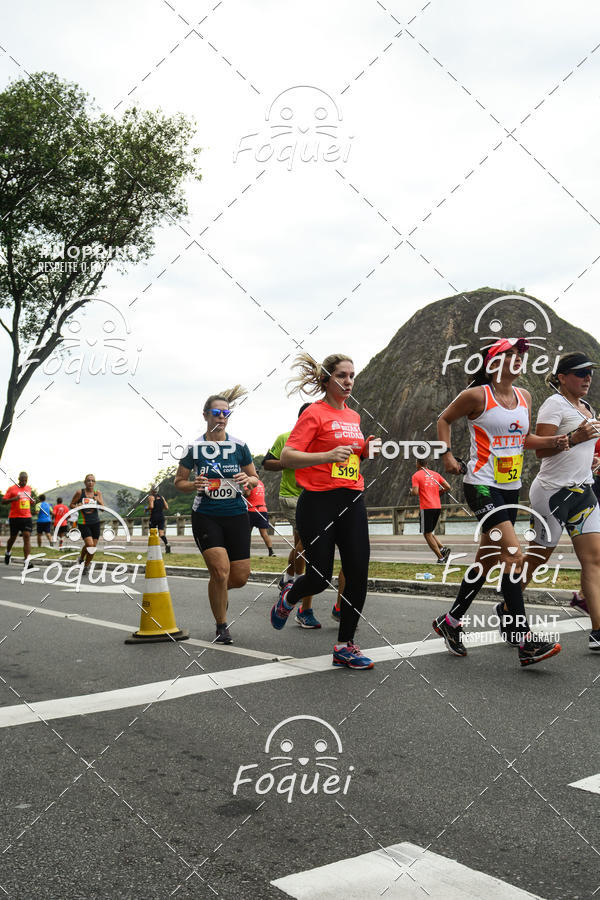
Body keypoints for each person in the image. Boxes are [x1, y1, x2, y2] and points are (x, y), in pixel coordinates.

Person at [433, 338, 567, 667]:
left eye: (521, 354)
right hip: (480, 485)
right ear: (494, 362)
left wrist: (556, 441)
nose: (518, 359)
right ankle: (525, 640)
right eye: (510, 355)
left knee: (488, 558)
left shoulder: (525, 397)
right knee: (514, 553)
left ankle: (449, 622)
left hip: (509, 488)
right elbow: (444, 420)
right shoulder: (477, 395)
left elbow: (524, 441)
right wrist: (447, 455)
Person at [270, 352, 378, 670]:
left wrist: (364, 451)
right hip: (317, 502)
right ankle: (290, 595)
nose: (349, 382)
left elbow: (349, 459)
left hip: (352, 499)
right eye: (342, 375)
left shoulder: (353, 418)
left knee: (358, 572)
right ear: (327, 379)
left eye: (352, 375)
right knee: (319, 576)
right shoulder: (314, 414)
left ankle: (345, 645)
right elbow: (288, 456)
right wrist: (328, 455)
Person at [521, 353, 600, 653]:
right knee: (538, 558)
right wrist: (576, 438)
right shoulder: (554, 404)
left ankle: (598, 631)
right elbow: (541, 451)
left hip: (584, 493)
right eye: (580, 373)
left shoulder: (588, 407)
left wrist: (588, 458)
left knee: (593, 560)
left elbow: (577, 449)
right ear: (562, 377)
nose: (587, 378)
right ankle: (509, 604)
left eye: (590, 373)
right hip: (552, 495)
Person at [174, 386, 259, 645]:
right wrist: (194, 484)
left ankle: (217, 591)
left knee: (239, 577)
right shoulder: (195, 448)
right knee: (221, 571)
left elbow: (255, 478)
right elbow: (179, 481)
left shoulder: (239, 446)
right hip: (206, 515)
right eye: (216, 412)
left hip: (236, 514)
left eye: (226, 413)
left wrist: (249, 479)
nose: (221, 417)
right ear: (205, 415)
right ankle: (222, 625)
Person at [263, 403, 324, 629]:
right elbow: (266, 463)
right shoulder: (286, 437)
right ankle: (298, 585)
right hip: (292, 496)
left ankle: (288, 580)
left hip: (314, 497)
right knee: (307, 544)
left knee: (302, 543)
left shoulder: (323, 438)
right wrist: (289, 461)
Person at [410, 460, 451, 562]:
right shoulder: (435, 474)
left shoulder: (416, 475)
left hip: (427, 507)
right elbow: (448, 486)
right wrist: (438, 493)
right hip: (437, 506)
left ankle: (441, 558)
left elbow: (415, 492)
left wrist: (411, 491)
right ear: (426, 464)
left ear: (418, 464)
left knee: (426, 534)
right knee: (429, 532)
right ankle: (442, 548)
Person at [70, 475, 105, 577]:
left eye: (92, 481)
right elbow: (71, 504)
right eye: (88, 481)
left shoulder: (97, 493)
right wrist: (77, 506)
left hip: (95, 523)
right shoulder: (80, 492)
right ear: (85, 482)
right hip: (83, 522)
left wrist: (98, 500)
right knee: (90, 545)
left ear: (95, 482)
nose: (90, 482)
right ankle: (82, 559)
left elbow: (102, 508)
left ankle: (85, 564)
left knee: (92, 547)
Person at [3, 472, 33, 565]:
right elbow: (3, 501)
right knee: (13, 537)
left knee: (27, 536)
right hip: (15, 517)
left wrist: (32, 501)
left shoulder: (28, 489)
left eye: (25, 480)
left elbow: (28, 500)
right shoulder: (12, 489)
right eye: (22, 480)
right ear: (19, 479)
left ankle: (27, 561)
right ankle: (8, 552)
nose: (24, 482)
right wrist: (14, 499)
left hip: (27, 517)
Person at [245, 479, 275, 557]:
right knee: (264, 533)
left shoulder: (248, 482)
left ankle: (246, 552)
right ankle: (271, 551)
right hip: (262, 509)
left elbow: (247, 494)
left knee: (247, 533)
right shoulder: (261, 483)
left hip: (251, 510)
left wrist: (241, 495)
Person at [148, 487, 171, 553]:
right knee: (161, 534)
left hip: (154, 517)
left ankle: (152, 549)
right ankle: (167, 544)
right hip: (161, 517)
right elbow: (166, 507)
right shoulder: (162, 497)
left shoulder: (151, 497)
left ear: (151, 490)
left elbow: (151, 506)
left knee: (152, 533)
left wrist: (146, 508)